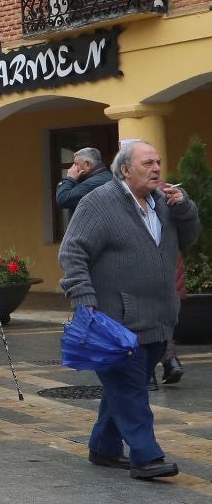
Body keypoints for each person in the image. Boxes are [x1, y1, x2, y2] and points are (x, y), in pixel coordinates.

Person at [60, 140, 201, 481]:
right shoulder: (99, 202)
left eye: (158, 162)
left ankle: (104, 448)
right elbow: (72, 253)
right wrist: (84, 301)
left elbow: (190, 239)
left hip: (158, 317)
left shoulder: (164, 201)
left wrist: (185, 209)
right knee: (131, 388)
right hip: (115, 321)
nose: (156, 169)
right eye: (147, 163)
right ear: (125, 169)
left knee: (123, 386)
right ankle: (146, 456)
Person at [56, 146, 112, 211]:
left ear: (87, 164)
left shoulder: (95, 182)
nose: (73, 168)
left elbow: (62, 199)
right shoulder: (105, 176)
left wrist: (69, 178)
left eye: (76, 164)